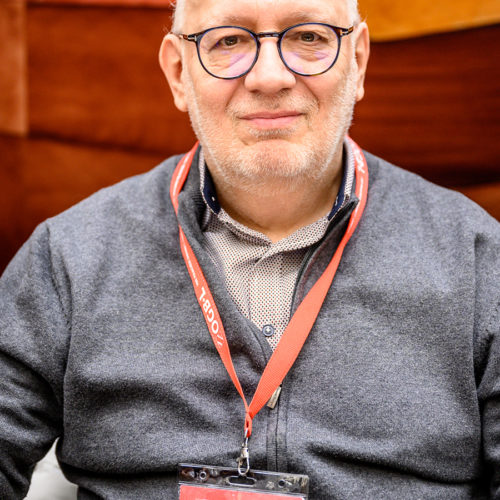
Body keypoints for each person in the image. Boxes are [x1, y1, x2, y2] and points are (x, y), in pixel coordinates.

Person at [1, 0, 499, 498]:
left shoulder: (478, 262)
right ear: (178, 73)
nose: (269, 77)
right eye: (228, 40)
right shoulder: (67, 260)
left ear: (358, 61)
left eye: (308, 37)